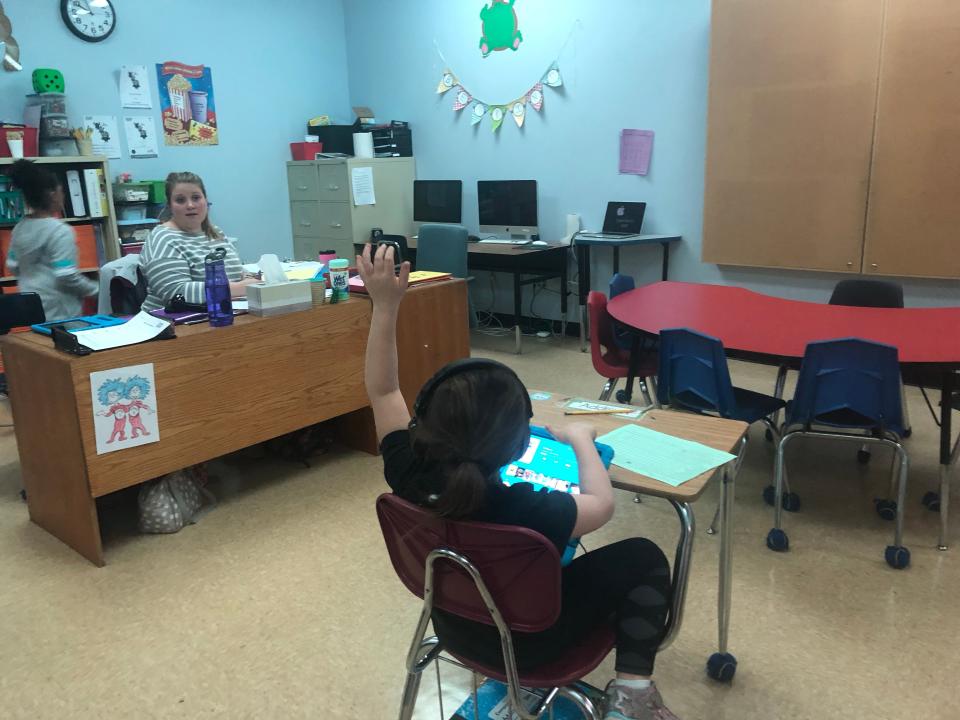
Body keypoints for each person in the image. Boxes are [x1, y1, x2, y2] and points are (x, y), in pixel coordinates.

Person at [359, 243, 679, 720]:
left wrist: (384, 305)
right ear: (515, 448)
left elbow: (383, 389)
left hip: (453, 627)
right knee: (642, 556)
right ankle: (632, 691)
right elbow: (601, 503)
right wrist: (580, 440)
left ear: (424, 420)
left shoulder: (405, 468)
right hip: (536, 645)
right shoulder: (529, 509)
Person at [140, 171, 259, 312]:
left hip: (223, 313)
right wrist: (244, 287)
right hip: (172, 324)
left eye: (196, 198)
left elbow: (236, 270)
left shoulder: (215, 232)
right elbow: (176, 293)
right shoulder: (163, 239)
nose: (190, 205)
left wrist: (250, 278)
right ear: (170, 206)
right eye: (180, 200)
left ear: (205, 201)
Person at [6, 160, 98, 321]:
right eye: (61, 191)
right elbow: (66, 274)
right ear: (52, 194)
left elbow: (12, 265)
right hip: (60, 309)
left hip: (31, 305)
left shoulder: (19, 228)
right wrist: (97, 290)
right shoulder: (60, 232)